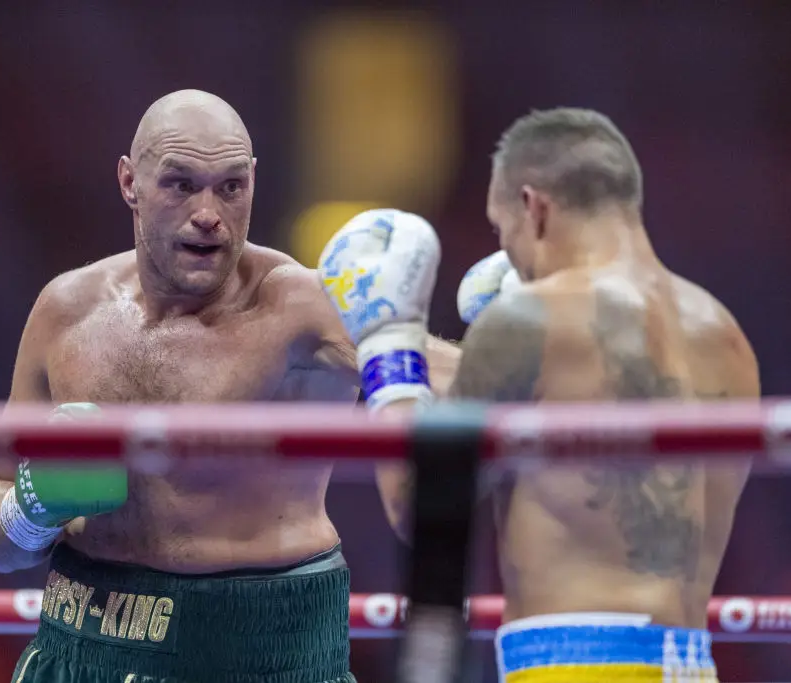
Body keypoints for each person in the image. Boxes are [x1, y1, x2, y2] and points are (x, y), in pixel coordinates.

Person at [0, 89, 460, 683]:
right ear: (129, 182)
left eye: (230, 186)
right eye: (180, 184)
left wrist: (511, 332)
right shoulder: (65, 310)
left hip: (258, 651)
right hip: (80, 644)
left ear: (253, 181)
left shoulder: (299, 305)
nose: (208, 212)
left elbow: (468, 388)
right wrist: (30, 508)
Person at [317, 107, 759, 682]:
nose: (512, 254)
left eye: (504, 231)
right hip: (691, 665)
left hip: (572, 667)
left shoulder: (529, 318)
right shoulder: (724, 335)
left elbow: (420, 505)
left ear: (535, 207)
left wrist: (387, 344)